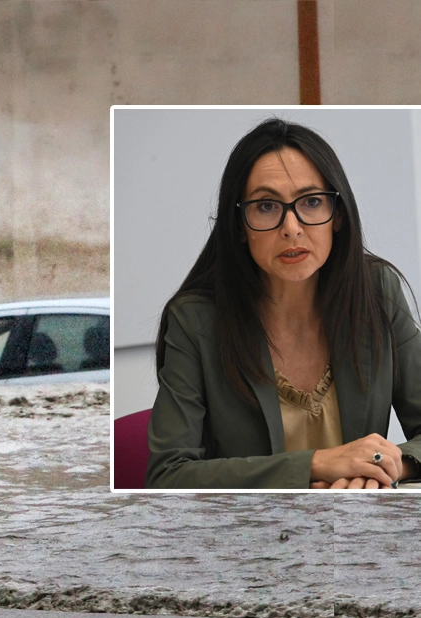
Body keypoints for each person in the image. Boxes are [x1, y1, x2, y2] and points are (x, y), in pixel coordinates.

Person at [147, 118, 421, 490]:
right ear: (239, 225)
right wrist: (319, 463)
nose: (291, 227)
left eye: (311, 202)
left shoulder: (378, 291)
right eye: (266, 206)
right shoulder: (195, 321)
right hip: (248, 539)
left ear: (337, 215)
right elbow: (169, 474)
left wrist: (389, 466)